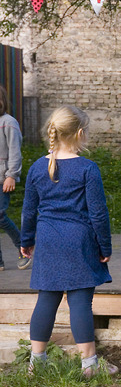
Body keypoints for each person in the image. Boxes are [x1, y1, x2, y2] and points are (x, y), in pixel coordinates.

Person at [21, 106, 117, 377]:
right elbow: (98, 213)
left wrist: (27, 240)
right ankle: (90, 366)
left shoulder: (37, 168)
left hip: (48, 241)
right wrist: (105, 246)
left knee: (46, 301)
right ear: (79, 134)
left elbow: (29, 211)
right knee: (80, 303)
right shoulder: (88, 168)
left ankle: (35, 364)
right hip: (80, 243)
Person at [0, 86, 31, 271]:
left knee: (0, 216)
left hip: (2, 178)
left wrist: (12, 175)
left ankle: (23, 248)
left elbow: (15, 151)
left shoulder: (8, 122)